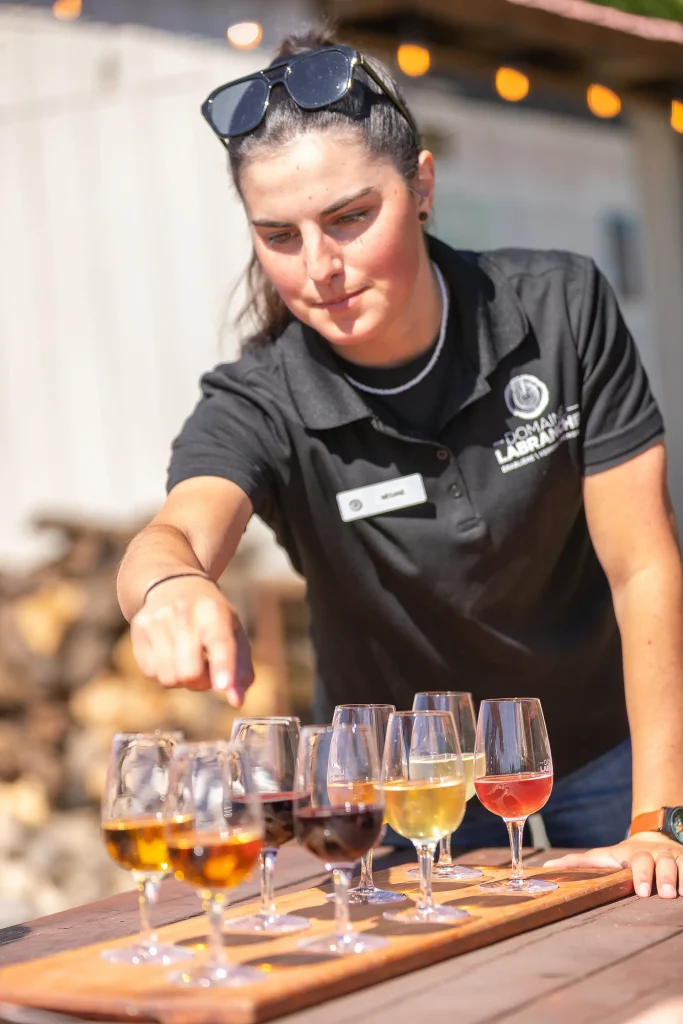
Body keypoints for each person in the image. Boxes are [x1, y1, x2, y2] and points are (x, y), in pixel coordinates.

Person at [117, 29, 683, 898]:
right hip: (407, 802)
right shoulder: (259, 399)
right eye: (279, 235)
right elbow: (176, 534)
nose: (320, 268)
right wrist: (170, 588)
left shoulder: (561, 309)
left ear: (420, 185)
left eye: (350, 218)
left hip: (608, 762)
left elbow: (642, 566)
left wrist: (660, 817)